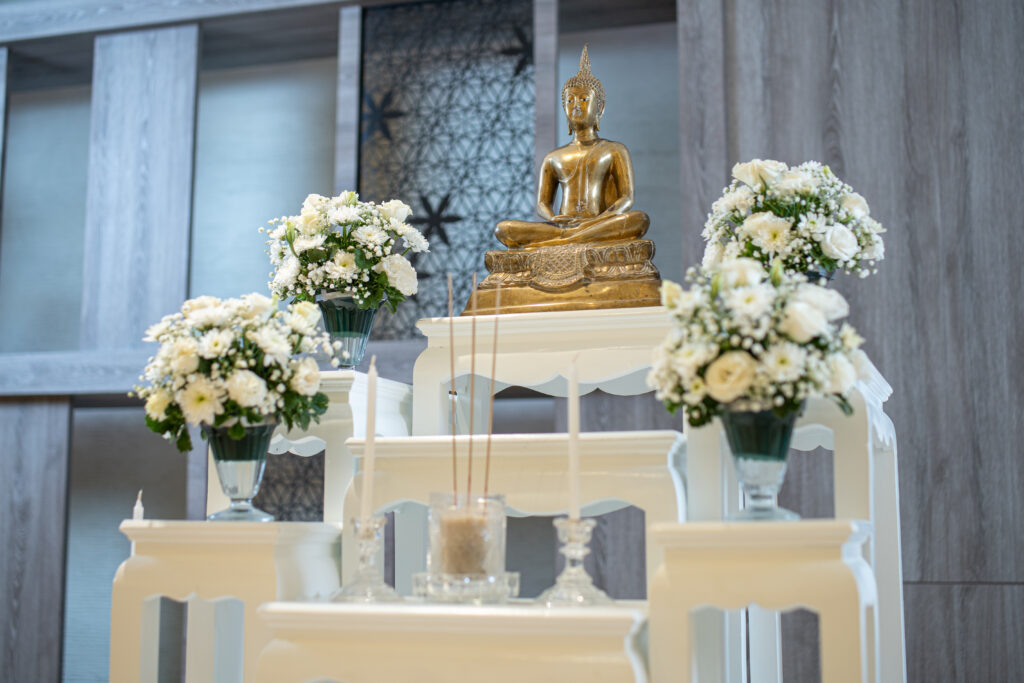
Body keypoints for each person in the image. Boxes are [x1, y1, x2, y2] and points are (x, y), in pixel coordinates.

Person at [495, 44, 650, 250]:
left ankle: (568, 239)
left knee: (639, 219)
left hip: (599, 223)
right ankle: (571, 236)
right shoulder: (554, 157)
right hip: (563, 225)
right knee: (503, 229)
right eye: (570, 100)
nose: (576, 105)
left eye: (584, 99)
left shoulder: (614, 150)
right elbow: (542, 204)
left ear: (600, 107)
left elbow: (626, 198)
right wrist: (554, 218)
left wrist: (599, 220)